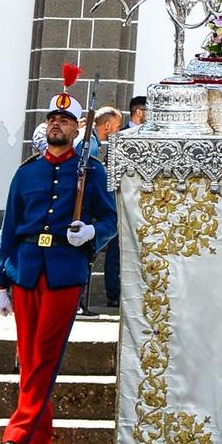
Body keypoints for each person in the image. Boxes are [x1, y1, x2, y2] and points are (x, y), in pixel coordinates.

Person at [0, 66, 116, 444]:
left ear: (77, 127)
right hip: (25, 268)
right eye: (52, 120)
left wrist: (91, 232)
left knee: (45, 354)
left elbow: (111, 219)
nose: (57, 126)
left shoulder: (91, 171)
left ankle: (16, 434)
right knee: (29, 358)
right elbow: (9, 226)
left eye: (64, 120)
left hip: (64, 268)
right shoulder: (27, 171)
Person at [91, 106, 122, 308]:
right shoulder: (91, 145)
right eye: (117, 126)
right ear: (108, 125)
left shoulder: (94, 142)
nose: (118, 131)